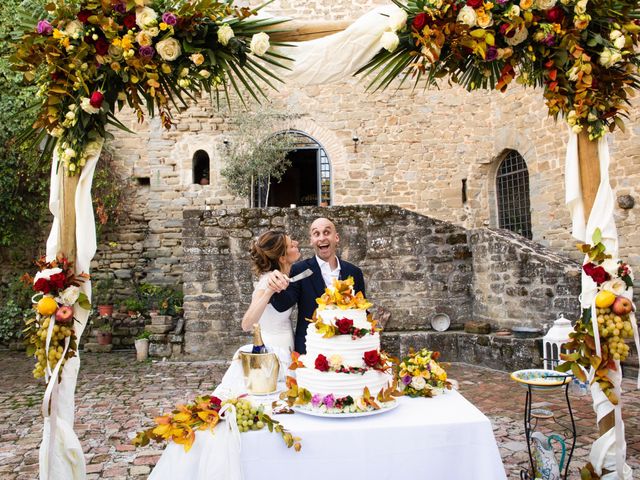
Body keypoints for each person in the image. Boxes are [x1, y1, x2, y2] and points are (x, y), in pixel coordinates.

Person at [268, 217, 365, 354]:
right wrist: (273, 278)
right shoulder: (299, 270)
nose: (321, 238)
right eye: (316, 234)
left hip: (347, 349)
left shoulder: (354, 272)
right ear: (311, 241)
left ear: (336, 238)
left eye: (326, 232)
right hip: (310, 349)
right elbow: (282, 304)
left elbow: (362, 311)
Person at [241, 230, 301, 353]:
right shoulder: (269, 280)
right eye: (291, 245)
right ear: (283, 258)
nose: (297, 243)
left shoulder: (285, 276)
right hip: (273, 349)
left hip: (287, 344)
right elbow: (246, 325)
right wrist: (269, 292)